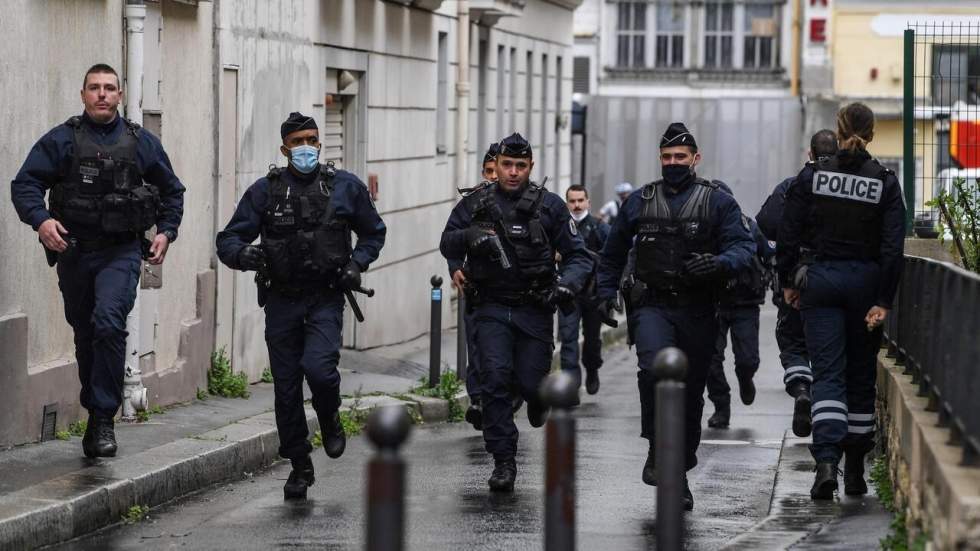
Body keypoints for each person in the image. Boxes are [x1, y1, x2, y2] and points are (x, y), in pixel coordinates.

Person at [11, 63, 185, 458]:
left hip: (120, 251)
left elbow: (172, 191)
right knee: (86, 334)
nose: (102, 94)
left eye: (109, 88)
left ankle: (103, 417)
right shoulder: (63, 140)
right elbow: (25, 184)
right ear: (83, 94)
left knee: (108, 323)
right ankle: (95, 408)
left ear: (120, 95)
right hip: (73, 251)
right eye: (94, 88)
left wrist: (165, 232)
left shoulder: (141, 143)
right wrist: (41, 222)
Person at [215, 112, 386, 500]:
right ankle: (299, 463)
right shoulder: (266, 191)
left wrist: (356, 265)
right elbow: (228, 240)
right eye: (297, 142)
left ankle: (329, 416)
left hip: (325, 297)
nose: (305, 147)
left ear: (320, 144)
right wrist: (247, 255)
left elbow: (374, 232)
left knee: (320, 371)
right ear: (284, 148)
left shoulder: (344, 187)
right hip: (282, 301)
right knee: (287, 387)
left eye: (311, 139)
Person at [596, 122, 755, 510]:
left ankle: (680, 469)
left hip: (699, 310)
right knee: (653, 372)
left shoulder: (718, 202)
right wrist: (603, 293)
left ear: (695, 159)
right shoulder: (640, 200)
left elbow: (744, 248)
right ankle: (655, 447)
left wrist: (718, 264)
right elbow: (613, 252)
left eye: (680, 157)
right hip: (652, 306)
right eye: (666, 157)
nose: (673, 163)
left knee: (689, 393)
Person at [440, 133, 592, 492]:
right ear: (497, 165)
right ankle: (503, 460)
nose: (512, 172)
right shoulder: (477, 202)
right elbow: (447, 240)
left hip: (534, 308)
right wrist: (468, 238)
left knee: (530, 383)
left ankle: (538, 398)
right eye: (506, 165)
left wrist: (567, 285)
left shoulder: (550, 206)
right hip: (491, 306)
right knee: (494, 380)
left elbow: (578, 255)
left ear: (530, 167)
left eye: (520, 166)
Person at [777, 104, 905, 500]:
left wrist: (788, 282)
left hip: (822, 281)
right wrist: (883, 299)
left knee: (828, 374)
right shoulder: (883, 181)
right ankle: (854, 473)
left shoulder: (813, 176)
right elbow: (892, 248)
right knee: (860, 376)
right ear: (871, 133)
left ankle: (826, 464)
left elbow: (787, 231)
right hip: (865, 284)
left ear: (838, 128)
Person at [756, 129, 839, 437]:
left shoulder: (793, 186)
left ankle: (801, 388)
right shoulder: (850, 185)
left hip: (799, 278)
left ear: (809, 154)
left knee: (792, 340)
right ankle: (828, 424)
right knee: (831, 348)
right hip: (840, 276)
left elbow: (767, 224)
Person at [705, 184, 774, 429]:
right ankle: (721, 407)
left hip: (745, 302)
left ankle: (746, 379)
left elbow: (768, 254)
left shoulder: (748, 227)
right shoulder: (702, 228)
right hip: (711, 303)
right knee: (710, 360)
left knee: (747, 360)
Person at [559, 184, 610, 397]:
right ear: (567, 203)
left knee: (592, 340)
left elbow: (613, 257)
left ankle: (592, 369)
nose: (577, 205)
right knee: (568, 338)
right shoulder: (560, 228)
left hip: (593, 294)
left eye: (580, 200)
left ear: (588, 202)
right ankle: (571, 386)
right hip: (568, 293)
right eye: (572, 201)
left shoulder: (600, 227)